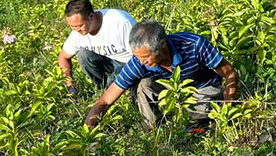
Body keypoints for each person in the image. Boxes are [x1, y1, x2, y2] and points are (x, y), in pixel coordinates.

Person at [84, 20, 238, 131]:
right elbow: (105, 100)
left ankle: (193, 119)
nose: (142, 62)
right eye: (137, 57)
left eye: (146, 57)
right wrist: (86, 135)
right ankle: (154, 129)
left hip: (203, 89)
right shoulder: (139, 61)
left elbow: (229, 73)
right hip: (172, 92)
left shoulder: (194, 45)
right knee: (144, 85)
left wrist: (227, 108)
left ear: (162, 46)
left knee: (204, 107)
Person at [58, 0, 136, 92]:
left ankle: (110, 90)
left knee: (112, 89)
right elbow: (63, 57)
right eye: (72, 27)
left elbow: (139, 57)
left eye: (80, 26)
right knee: (83, 54)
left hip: (129, 61)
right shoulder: (77, 32)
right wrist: (69, 86)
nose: (76, 30)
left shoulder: (120, 22)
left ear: (91, 16)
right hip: (109, 61)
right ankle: (100, 88)